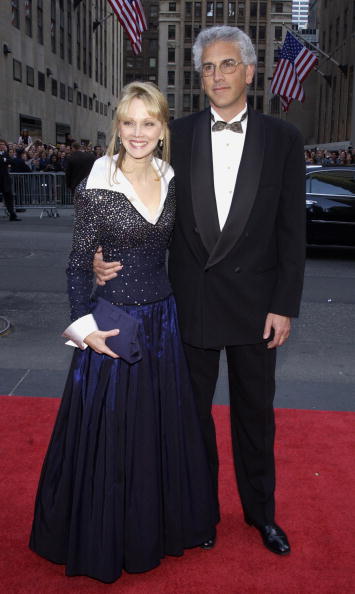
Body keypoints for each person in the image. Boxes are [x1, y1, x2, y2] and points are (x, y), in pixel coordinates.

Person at [94, 26, 306, 556]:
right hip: (191, 304)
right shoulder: (177, 134)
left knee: (255, 417)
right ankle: (199, 512)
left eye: (228, 64)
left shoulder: (283, 139)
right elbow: (128, 189)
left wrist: (285, 305)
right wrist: (100, 256)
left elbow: (291, 234)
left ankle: (262, 514)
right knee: (191, 419)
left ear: (250, 72)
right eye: (208, 67)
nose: (216, 75)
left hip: (258, 308)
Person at [29, 81, 218, 584]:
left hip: (164, 323)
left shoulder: (170, 175)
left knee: (158, 435)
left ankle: (154, 529)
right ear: (118, 126)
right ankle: (106, 536)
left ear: (162, 128)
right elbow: (75, 266)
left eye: (148, 122)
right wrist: (84, 328)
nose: (138, 133)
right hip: (114, 326)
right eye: (129, 122)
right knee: (111, 439)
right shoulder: (99, 179)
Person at [0, 139, 21, 221]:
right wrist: (4, 160)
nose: (2, 145)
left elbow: (11, 162)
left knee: (9, 196)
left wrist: (5, 160)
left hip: (5, 179)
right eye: (0, 144)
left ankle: (12, 215)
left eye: (3, 144)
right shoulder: (4, 155)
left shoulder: (6, 154)